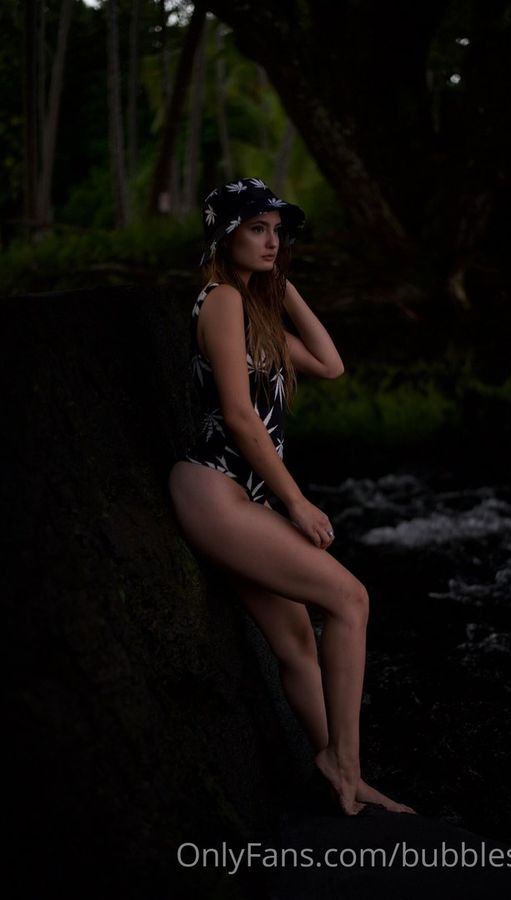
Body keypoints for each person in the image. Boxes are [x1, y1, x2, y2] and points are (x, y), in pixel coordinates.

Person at [168, 177, 415, 817]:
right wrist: (298, 503)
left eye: (279, 232)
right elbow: (240, 417)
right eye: (258, 229)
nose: (273, 241)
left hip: (239, 500)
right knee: (350, 599)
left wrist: (282, 284)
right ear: (226, 236)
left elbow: (331, 364)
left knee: (298, 641)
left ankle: (341, 775)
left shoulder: (256, 312)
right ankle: (345, 765)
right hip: (215, 490)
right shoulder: (222, 301)